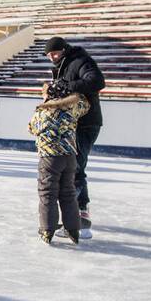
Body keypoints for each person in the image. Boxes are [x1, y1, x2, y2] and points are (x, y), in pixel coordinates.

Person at [44, 36, 105, 234]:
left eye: (54, 53)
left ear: (64, 49)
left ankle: (81, 219)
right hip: (71, 124)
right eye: (48, 55)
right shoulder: (62, 65)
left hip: (85, 123)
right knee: (72, 168)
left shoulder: (79, 60)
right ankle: (77, 215)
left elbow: (96, 81)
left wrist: (66, 86)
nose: (52, 57)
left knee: (76, 167)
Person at [28, 81, 90, 244]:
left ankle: (47, 230)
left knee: (48, 193)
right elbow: (85, 105)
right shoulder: (72, 110)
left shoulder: (42, 112)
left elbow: (31, 128)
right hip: (70, 157)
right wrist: (75, 95)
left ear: (49, 95)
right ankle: (73, 229)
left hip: (49, 158)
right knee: (68, 193)